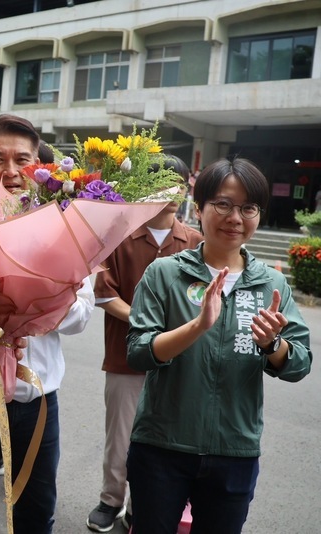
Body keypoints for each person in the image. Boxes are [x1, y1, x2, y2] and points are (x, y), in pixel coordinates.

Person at [125, 157, 312, 533]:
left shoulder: (269, 284)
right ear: (199, 209)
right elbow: (138, 351)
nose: (235, 217)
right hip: (163, 446)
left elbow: (299, 363)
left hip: (235, 450)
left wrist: (272, 343)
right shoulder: (165, 273)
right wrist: (197, 327)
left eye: (248, 207)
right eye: (223, 204)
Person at [0, 114, 95, 534]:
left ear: (40, 166)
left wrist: (43, 297)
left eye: (23, 159)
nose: (11, 171)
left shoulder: (67, 226)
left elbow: (82, 316)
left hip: (39, 396)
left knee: (37, 506)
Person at [86, 155, 204, 532]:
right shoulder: (118, 237)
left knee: (160, 443)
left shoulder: (195, 241)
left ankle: (143, 504)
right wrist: (147, 324)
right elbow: (104, 295)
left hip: (177, 364)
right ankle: (110, 500)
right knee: (119, 439)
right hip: (125, 357)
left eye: (179, 184)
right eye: (162, 184)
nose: (171, 193)